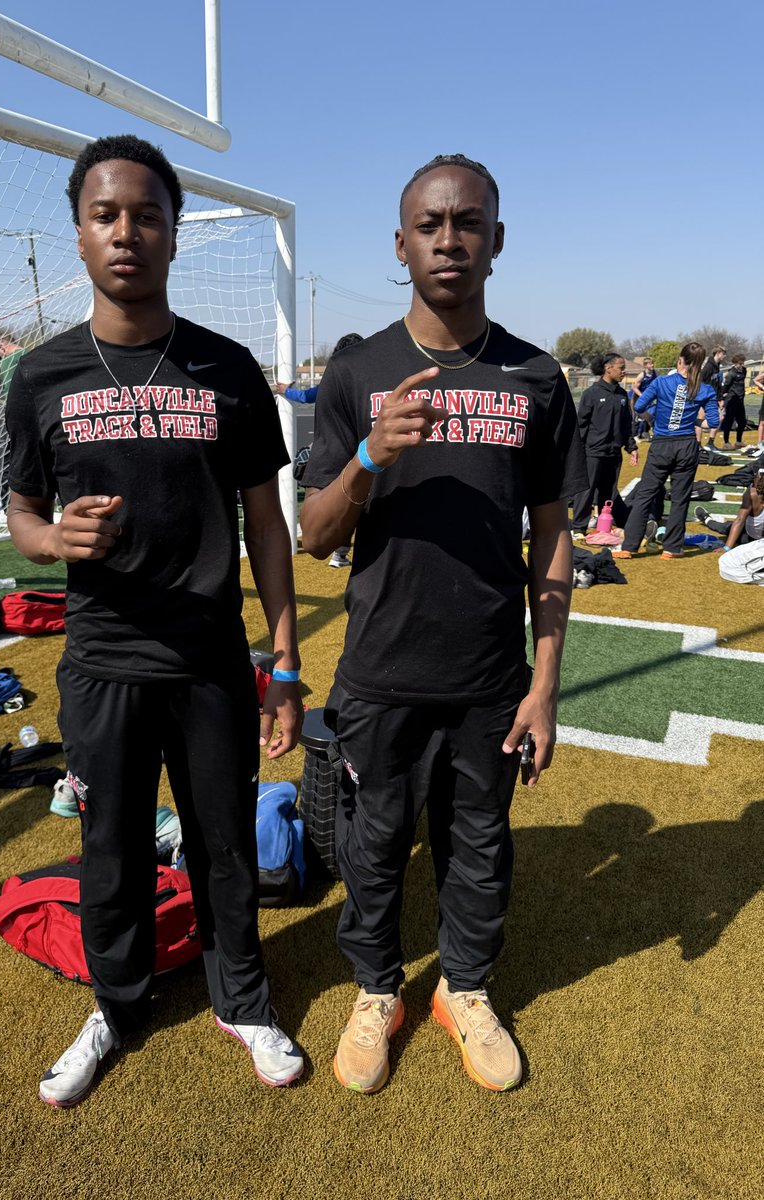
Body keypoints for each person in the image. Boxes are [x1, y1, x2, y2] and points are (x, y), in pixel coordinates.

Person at [4, 134, 304, 1108]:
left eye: (147, 214)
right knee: (113, 847)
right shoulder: (43, 376)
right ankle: (118, 1003)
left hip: (211, 660)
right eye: (106, 214)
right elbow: (19, 511)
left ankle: (242, 998)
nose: (126, 230)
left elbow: (265, 518)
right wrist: (52, 542)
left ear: (175, 235)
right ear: (80, 232)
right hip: (101, 664)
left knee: (223, 841)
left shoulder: (224, 369)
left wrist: (287, 659)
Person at [300, 153, 586, 1095]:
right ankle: (378, 989)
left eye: (468, 222)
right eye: (430, 224)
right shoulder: (358, 369)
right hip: (379, 670)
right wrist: (370, 459)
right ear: (401, 243)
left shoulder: (537, 377)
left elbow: (551, 539)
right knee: (369, 844)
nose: (450, 239)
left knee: (479, 843)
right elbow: (314, 534)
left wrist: (544, 686)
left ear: (496, 239)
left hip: (490, 677)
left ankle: (464, 988)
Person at [613, 342, 719, 560]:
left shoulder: (662, 382)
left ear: (680, 360)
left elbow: (640, 406)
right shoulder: (705, 388)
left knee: (645, 494)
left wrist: (655, 417)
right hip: (687, 445)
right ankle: (672, 548)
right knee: (680, 497)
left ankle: (629, 546)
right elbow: (714, 420)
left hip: (662, 444)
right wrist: (695, 419)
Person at [279, 333, 364, 567]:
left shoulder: (332, 378)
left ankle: (339, 552)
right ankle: (342, 553)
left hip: (333, 452)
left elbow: (306, 396)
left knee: (336, 500)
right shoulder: (365, 380)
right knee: (356, 501)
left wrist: (286, 391)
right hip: (359, 453)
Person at [571, 352, 639, 540]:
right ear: (608, 368)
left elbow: (626, 425)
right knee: (587, 489)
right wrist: (576, 451)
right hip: (592, 452)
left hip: (614, 453)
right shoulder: (591, 394)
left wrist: (631, 447)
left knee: (609, 491)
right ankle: (578, 527)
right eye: (621, 368)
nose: (624, 372)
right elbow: (581, 425)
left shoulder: (622, 395)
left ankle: (604, 524)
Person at [695, 469, 764, 546]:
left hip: (752, 539)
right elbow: (739, 520)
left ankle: (708, 520)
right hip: (753, 538)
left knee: (727, 527)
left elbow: (739, 520)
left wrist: (727, 548)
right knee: (729, 526)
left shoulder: (752, 493)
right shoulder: (752, 494)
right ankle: (708, 520)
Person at [699, 346, 725, 447]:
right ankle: (698, 444)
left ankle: (710, 443)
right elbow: (700, 381)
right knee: (700, 420)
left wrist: (720, 398)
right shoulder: (708, 367)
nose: (724, 356)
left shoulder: (717, 366)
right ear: (718, 353)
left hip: (713, 398)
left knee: (720, 418)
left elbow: (717, 384)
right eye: (723, 353)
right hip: (704, 398)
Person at [720, 353, 748, 448]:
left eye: (743, 363)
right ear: (735, 363)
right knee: (729, 421)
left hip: (740, 400)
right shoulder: (731, 374)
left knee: (742, 421)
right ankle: (726, 442)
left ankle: (738, 441)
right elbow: (725, 387)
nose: (742, 365)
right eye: (740, 363)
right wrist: (722, 398)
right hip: (731, 400)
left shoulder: (744, 370)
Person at [629, 356, 657, 440]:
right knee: (636, 416)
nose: (652, 365)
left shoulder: (654, 373)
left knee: (650, 415)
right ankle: (634, 436)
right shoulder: (641, 375)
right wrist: (642, 396)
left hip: (646, 397)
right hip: (636, 397)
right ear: (645, 365)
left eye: (653, 363)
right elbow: (634, 388)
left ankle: (645, 432)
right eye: (650, 363)